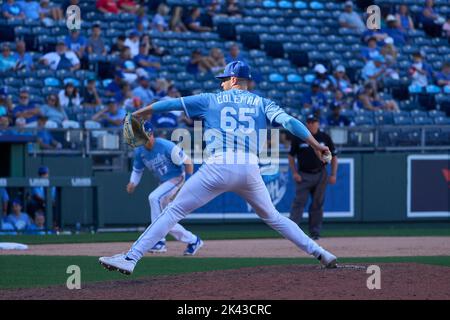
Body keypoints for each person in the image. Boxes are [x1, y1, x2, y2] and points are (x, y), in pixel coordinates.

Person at [99, 61, 338, 275]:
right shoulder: (263, 102)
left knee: (172, 211)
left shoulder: (210, 99)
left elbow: (170, 104)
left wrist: (141, 112)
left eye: (224, 80)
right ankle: (321, 253)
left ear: (233, 79)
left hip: (219, 165)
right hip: (249, 167)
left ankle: (131, 258)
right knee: (274, 217)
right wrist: (316, 145)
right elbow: (290, 122)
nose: (222, 84)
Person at [127, 121, 202, 253]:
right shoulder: (140, 151)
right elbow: (137, 170)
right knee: (165, 218)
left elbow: (188, 163)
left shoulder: (166, 146)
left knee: (154, 198)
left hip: (178, 178)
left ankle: (158, 241)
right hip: (164, 183)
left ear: (151, 134)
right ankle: (193, 240)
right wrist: (133, 182)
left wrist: (187, 185)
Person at [288, 115, 338, 240]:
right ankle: (291, 232)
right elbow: (291, 156)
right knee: (299, 203)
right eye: (309, 122)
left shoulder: (324, 137)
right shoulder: (299, 137)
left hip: (320, 174)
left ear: (318, 123)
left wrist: (333, 174)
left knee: (317, 204)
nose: (311, 124)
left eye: (313, 122)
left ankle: (315, 232)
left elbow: (334, 157)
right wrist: (294, 172)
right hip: (303, 175)